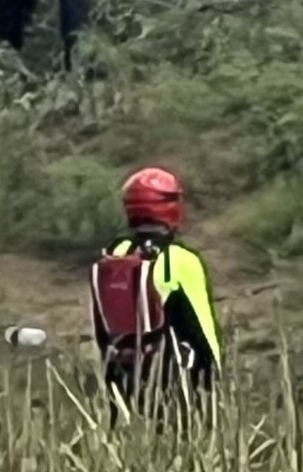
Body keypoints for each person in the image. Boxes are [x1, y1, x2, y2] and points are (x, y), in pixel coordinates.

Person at [91, 167, 223, 399]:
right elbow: (203, 332)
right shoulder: (180, 260)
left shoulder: (114, 254)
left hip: (121, 379)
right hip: (171, 384)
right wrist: (215, 386)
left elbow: (102, 327)